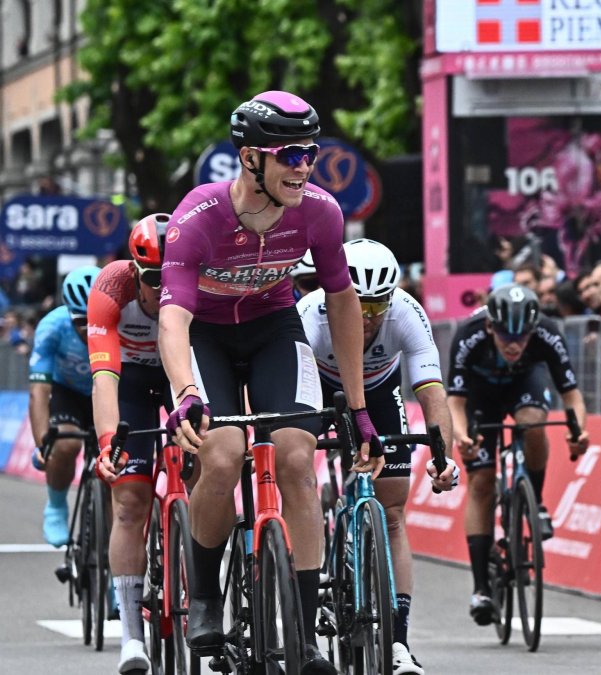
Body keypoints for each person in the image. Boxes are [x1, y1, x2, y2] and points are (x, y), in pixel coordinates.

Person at [159, 90, 381, 675]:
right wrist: (185, 392)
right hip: (205, 335)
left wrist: (358, 407)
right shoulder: (198, 216)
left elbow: (342, 301)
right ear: (251, 158)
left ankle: (303, 635)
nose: (304, 167)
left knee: (298, 459)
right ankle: (205, 596)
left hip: (273, 329)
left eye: (311, 153)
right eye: (290, 155)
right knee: (223, 455)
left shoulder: (320, 212)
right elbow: (173, 318)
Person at [297, 238, 459, 674]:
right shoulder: (311, 313)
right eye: (359, 305)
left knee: (392, 511)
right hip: (320, 387)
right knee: (296, 469)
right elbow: (291, 397)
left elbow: (431, 391)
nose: (368, 318)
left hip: (379, 390)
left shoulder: (406, 311)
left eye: (377, 306)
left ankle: (398, 640)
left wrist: (442, 456)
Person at [446, 284, 590, 625]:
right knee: (481, 483)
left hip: (525, 384)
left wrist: (578, 432)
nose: (514, 344)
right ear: (490, 326)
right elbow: (455, 402)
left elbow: (571, 395)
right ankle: (481, 588)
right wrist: (462, 437)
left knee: (533, 422)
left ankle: (535, 502)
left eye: (522, 337)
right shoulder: (468, 335)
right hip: (480, 396)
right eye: (506, 335)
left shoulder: (547, 333)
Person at [89, 214, 174, 672]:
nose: (163, 289)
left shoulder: (201, 284)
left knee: (210, 468)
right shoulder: (111, 287)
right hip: (131, 382)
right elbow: (104, 377)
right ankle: (131, 636)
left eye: (172, 276)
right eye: (154, 279)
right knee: (129, 502)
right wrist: (109, 444)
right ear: (135, 272)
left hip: (182, 376)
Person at [30, 265, 100, 547]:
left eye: (96, 318)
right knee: (65, 444)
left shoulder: (121, 322)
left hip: (106, 391)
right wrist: (42, 444)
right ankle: (56, 506)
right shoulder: (52, 326)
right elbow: (39, 390)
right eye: (81, 320)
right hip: (67, 392)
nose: (88, 328)